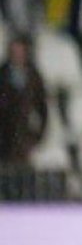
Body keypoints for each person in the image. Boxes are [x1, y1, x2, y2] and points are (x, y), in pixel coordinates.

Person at [0, 34, 49, 195]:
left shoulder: (33, 76)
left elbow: (42, 108)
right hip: (3, 135)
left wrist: (38, 135)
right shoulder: (3, 73)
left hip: (23, 137)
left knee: (22, 180)